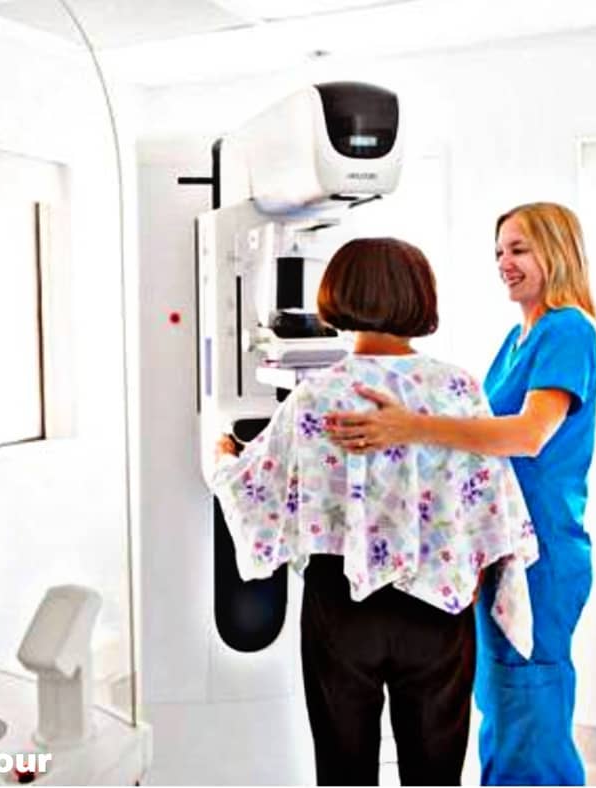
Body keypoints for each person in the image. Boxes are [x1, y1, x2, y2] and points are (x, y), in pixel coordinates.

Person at [211, 237, 538, 786]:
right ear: (420, 296)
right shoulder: (457, 388)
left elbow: (256, 490)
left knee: (343, 768)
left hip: (341, 605)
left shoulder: (316, 393)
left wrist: (225, 457)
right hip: (437, 602)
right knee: (435, 771)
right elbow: (489, 502)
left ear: (338, 294)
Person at [324, 203, 596, 785]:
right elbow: (475, 440)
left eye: (519, 249)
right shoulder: (518, 338)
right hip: (501, 544)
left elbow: (527, 435)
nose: (505, 263)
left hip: (542, 550)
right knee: (501, 700)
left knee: (529, 702)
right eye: (499, 251)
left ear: (558, 252)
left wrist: (411, 426)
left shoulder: (568, 330)